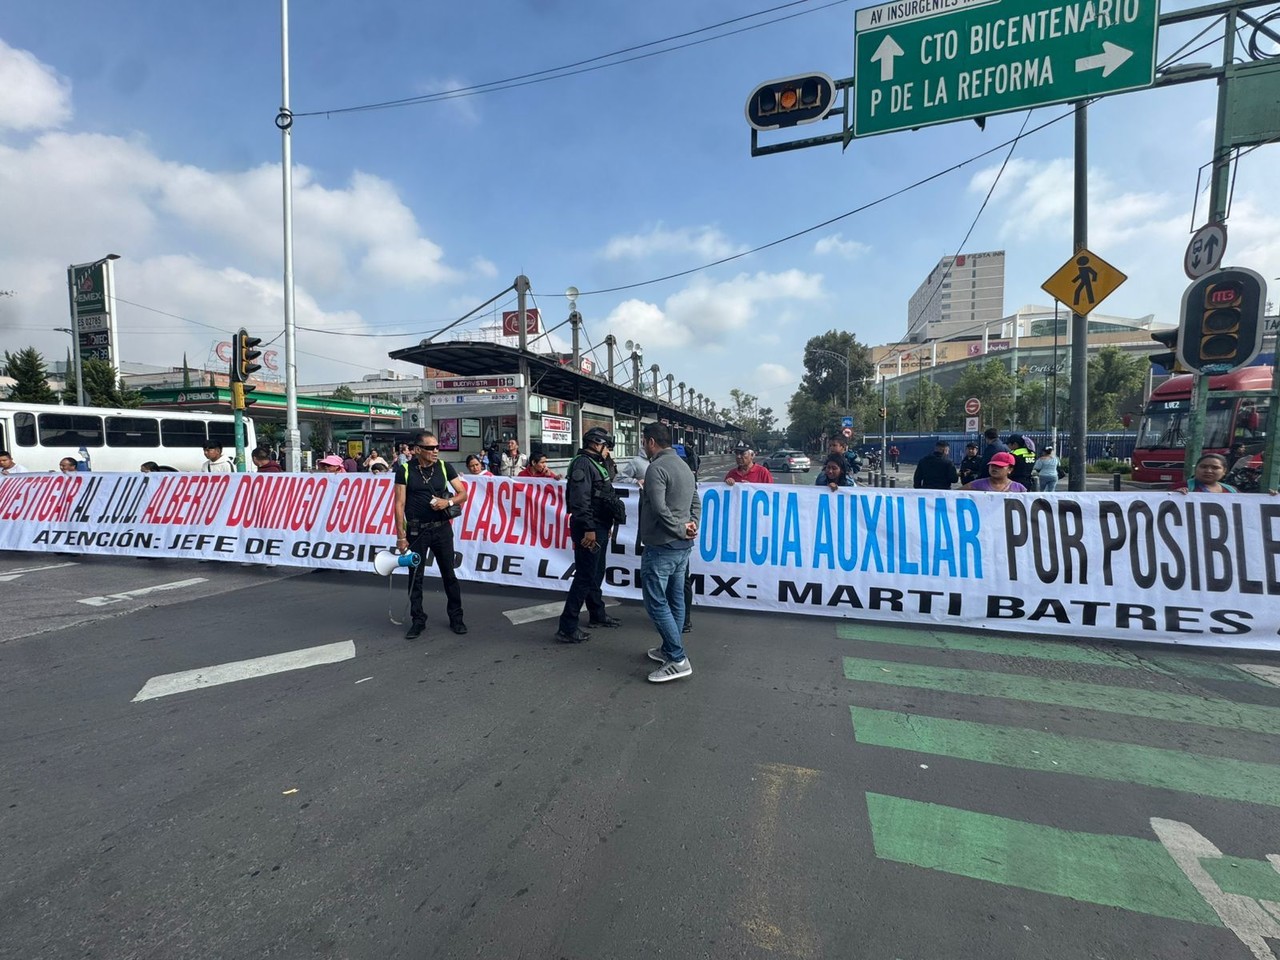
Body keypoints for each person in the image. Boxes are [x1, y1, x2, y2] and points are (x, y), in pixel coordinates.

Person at [639, 423, 700, 683]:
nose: (643, 445)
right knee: (675, 599)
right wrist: (691, 524)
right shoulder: (683, 465)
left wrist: (676, 528)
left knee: (655, 602)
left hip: (662, 545)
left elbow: (659, 508)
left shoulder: (656, 468)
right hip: (681, 547)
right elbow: (696, 499)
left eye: (644, 441)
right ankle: (668, 648)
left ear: (651, 441)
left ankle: (677, 658)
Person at [394, 431, 468, 640]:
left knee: (449, 575)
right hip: (416, 531)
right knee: (415, 576)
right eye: (430, 448)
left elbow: (463, 493)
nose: (435, 451)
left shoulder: (445, 467)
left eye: (437, 447)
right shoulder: (405, 470)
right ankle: (418, 620)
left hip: (442, 529)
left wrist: (449, 502)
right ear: (418, 450)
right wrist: (401, 536)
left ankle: (456, 618)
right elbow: (399, 504)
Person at [555, 427, 625, 643]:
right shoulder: (583, 464)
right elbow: (580, 500)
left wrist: (605, 524)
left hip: (600, 525)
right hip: (589, 527)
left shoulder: (596, 463)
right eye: (606, 446)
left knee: (596, 573)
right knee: (585, 576)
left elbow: (603, 491)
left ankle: (597, 614)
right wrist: (589, 529)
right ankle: (567, 627)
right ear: (596, 444)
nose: (608, 451)